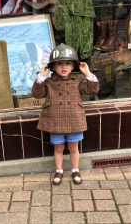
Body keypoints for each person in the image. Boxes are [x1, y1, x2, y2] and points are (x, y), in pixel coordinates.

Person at [32, 43, 99, 185]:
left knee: (74, 147)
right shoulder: (49, 82)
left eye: (68, 63)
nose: (64, 67)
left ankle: (75, 170)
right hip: (55, 120)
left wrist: (87, 73)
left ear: (73, 66)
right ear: (52, 67)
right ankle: (59, 171)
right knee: (59, 148)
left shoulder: (78, 80)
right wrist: (42, 76)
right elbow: (37, 94)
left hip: (74, 119)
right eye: (59, 64)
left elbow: (92, 90)